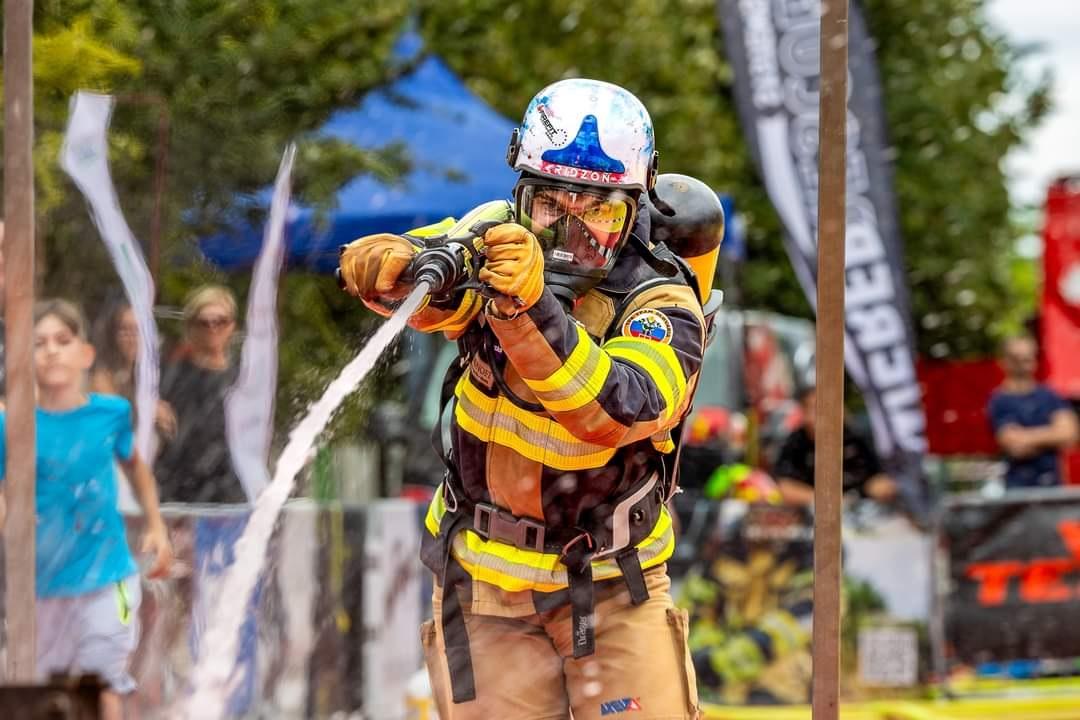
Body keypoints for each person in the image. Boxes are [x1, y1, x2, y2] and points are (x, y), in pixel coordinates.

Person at [340, 79, 709, 719]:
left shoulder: (659, 302)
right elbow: (438, 279)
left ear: (635, 205)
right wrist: (391, 265)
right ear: (521, 194)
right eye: (550, 203)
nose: (571, 226)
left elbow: (611, 411)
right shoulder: (496, 231)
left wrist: (528, 307)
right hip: (484, 584)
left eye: (596, 208)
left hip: (614, 587)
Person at [0, 299, 173, 720]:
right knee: (45, 695)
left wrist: (156, 525)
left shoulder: (111, 413)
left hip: (105, 578)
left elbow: (136, 468)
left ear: (86, 353)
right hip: (40, 586)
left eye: (63, 340)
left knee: (99, 687)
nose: (52, 350)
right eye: (39, 343)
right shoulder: (11, 425)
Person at [155, 285, 245, 504]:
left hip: (231, 492)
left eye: (220, 321)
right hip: (177, 490)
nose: (212, 328)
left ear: (232, 326)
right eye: (203, 323)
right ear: (190, 327)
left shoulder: (243, 378)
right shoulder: (167, 374)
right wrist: (148, 406)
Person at [773, 386, 898, 507]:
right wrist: (831, 502)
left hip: (863, 513)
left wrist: (876, 486)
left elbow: (881, 478)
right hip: (816, 515)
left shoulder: (854, 436)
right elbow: (784, 487)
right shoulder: (796, 444)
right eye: (817, 408)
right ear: (804, 413)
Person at [987, 334, 1079, 488]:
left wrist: (1027, 436)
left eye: (1028, 357)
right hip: (1019, 490)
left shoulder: (1050, 395)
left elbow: (1070, 435)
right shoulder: (1000, 400)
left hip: (1053, 487)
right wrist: (1052, 435)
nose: (1024, 364)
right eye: (1017, 358)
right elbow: (1014, 445)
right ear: (1005, 362)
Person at [90, 299, 177, 440]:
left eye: (138, 330)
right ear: (115, 335)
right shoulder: (104, 376)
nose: (132, 337)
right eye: (125, 330)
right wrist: (148, 411)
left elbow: (171, 423)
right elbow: (109, 418)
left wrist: (165, 418)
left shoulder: (154, 375)